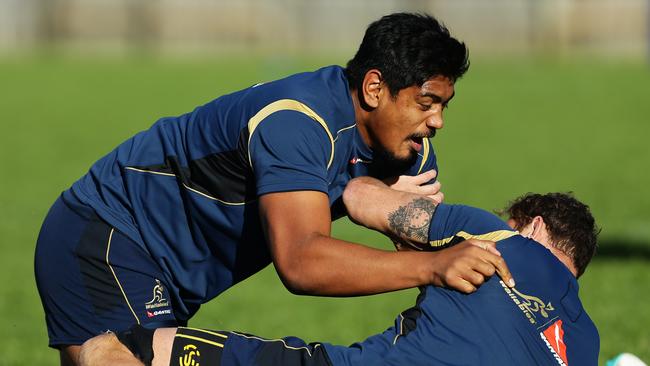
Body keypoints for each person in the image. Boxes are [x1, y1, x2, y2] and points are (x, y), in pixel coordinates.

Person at [34, 13, 515, 365]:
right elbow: (302, 262)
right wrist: (431, 267)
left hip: (175, 276)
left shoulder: (409, 148)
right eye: (426, 103)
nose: (438, 122)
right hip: (110, 234)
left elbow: (435, 246)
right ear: (374, 89)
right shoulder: (296, 121)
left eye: (444, 106)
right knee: (115, 357)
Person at [78, 179, 600, 366]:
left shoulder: (499, 238)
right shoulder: (587, 341)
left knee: (132, 347)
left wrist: (403, 198)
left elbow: (357, 197)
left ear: (531, 228)